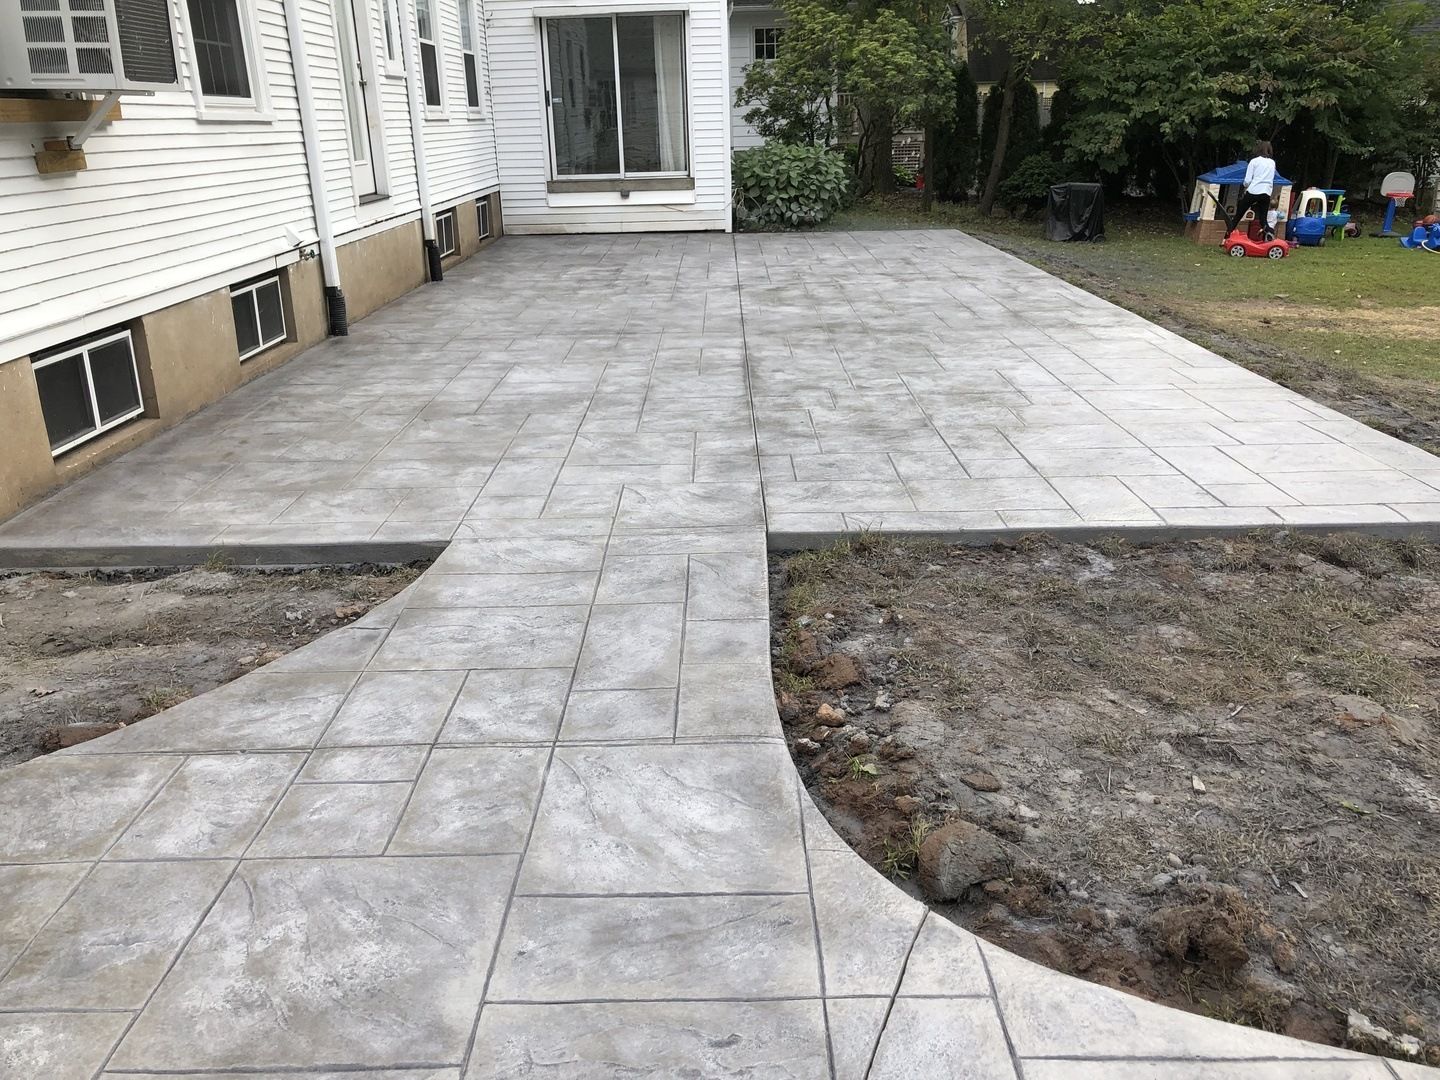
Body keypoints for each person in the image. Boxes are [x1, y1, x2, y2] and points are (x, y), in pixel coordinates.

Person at [1234, 140, 1277, 238]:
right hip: (1266, 192)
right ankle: (1270, 236)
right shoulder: (1272, 163)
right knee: (1263, 219)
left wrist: (1245, 187)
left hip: (1254, 190)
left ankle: (1226, 237)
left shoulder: (1254, 161)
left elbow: (1247, 181)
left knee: (1238, 215)